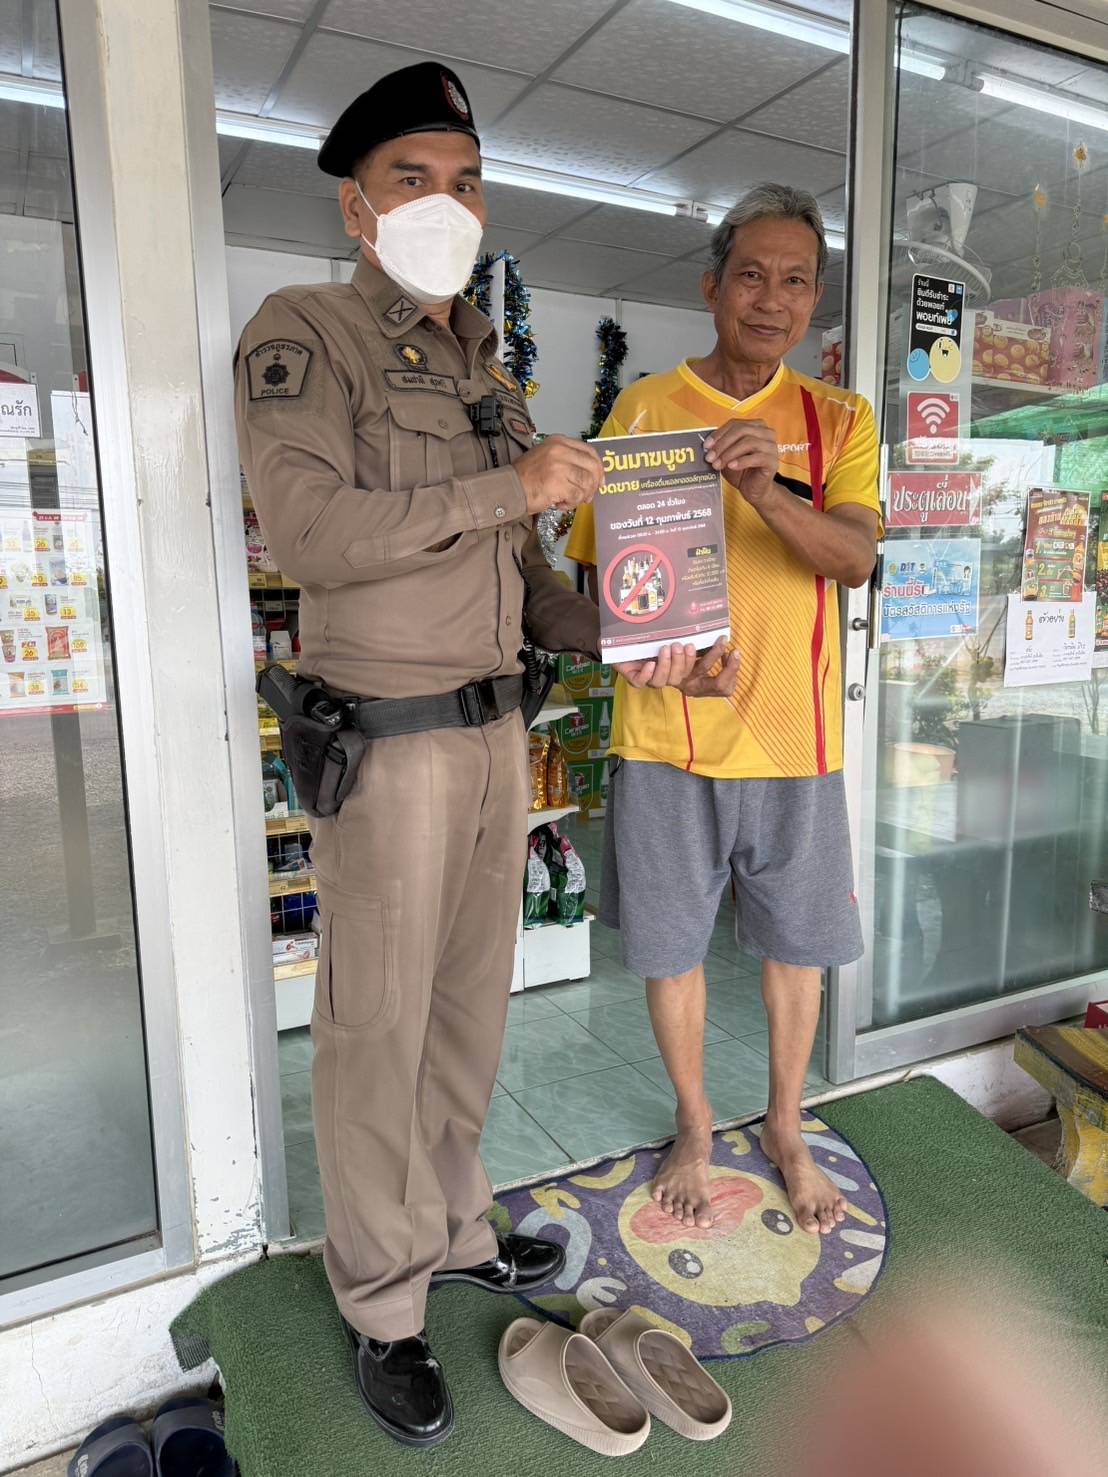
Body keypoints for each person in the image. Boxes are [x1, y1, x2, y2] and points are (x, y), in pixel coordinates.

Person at [234, 62, 604, 1450]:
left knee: (467, 1013)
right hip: (388, 749)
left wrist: (643, 628)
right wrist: (511, 484)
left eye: (464, 181)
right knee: (375, 1027)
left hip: (501, 735)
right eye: (412, 178)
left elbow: (529, 578)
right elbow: (313, 534)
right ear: (356, 205)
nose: (444, 203)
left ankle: (454, 1229)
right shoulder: (304, 332)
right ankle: (382, 1302)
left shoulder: (483, 372)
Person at [566, 182, 881, 1239]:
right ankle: (695, 1123)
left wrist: (765, 490)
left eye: (795, 281)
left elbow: (855, 558)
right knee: (670, 948)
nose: (771, 299)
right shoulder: (643, 411)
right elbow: (604, 580)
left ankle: (787, 1124)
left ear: (814, 300)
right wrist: (641, 654)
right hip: (668, 736)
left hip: (796, 736)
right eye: (751, 275)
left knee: (799, 946)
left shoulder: (839, 420)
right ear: (711, 287)